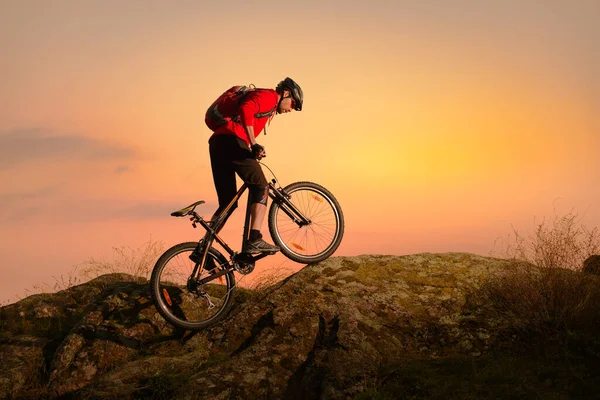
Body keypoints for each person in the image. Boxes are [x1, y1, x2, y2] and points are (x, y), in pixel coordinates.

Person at [191, 77, 303, 262]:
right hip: (232, 141)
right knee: (261, 186)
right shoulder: (268, 96)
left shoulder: (268, 105)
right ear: (285, 93)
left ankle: (202, 249)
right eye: (293, 103)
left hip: (218, 144)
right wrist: (253, 143)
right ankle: (254, 239)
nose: (292, 108)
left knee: (228, 202)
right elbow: (246, 109)